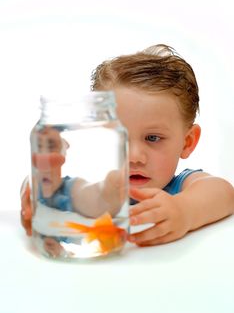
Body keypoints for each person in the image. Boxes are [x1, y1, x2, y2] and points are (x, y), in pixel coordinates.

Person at [21, 44, 234, 247]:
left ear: (187, 142)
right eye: (120, 138)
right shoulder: (111, 190)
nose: (134, 156)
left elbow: (223, 192)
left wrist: (184, 210)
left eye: (152, 138)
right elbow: (71, 193)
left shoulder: (183, 188)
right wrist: (37, 186)